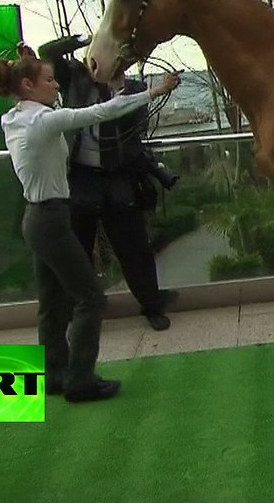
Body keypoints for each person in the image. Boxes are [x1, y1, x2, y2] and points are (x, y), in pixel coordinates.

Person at [0, 44, 179, 404]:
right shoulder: (42, 122)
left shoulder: (15, 117)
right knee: (91, 298)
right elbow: (103, 110)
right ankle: (80, 380)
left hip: (36, 218)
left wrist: (27, 65)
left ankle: (55, 374)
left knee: (51, 300)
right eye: (48, 80)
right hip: (52, 219)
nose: (57, 85)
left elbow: (52, 109)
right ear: (28, 86)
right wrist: (155, 91)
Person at [37, 34, 179, 331]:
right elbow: (47, 51)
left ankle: (151, 305)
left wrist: (118, 92)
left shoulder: (136, 89)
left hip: (118, 174)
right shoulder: (75, 75)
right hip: (82, 176)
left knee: (134, 246)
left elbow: (134, 128)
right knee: (78, 246)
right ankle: (79, 308)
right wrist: (90, 38)